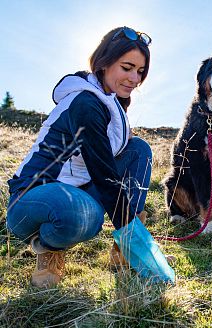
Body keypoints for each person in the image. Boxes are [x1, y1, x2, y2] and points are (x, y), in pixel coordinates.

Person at [6, 26, 160, 288]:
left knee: (138, 150)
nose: (135, 78)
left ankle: (122, 251)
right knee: (81, 214)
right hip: (31, 198)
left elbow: (115, 163)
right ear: (104, 63)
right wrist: (136, 236)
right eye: (127, 67)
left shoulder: (111, 103)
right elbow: (105, 175)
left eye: (140, 72)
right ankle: (49, 250)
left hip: (77, 190)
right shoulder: (86, 104)